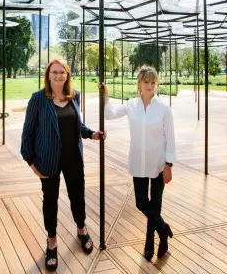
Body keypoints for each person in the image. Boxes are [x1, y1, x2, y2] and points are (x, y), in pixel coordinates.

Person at [21, 58, 106, 271]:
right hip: (47, 160)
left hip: (73, 159)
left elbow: (78, 126)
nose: (58, 76)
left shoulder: (74, 96)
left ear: (67, 75)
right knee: (50, 201)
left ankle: (81, 229)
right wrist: (31, 162)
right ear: (48, 75)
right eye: (54, 72)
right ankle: (51, 241)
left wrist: (92, 134)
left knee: (78, 196)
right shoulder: (38, 99)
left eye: (62, 72)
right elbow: (27, 134)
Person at [100, 66, 176, 261]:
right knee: (142, 203)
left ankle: (151, 241)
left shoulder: (164, 108)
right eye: (146, 82)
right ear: (139, 83)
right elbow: (109, 114)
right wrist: (106, 95)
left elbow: (171, 139)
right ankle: (163, 228)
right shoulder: (131, 104)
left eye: (153, 82)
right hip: (138, 162)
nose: (150, 86)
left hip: (159, 164)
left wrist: (168, 166)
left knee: (155, 205)